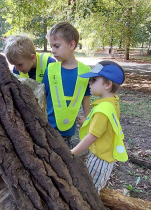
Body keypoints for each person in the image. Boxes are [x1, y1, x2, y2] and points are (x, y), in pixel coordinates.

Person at [71, 60, 128, 192]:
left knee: (90, 190)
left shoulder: (103, 109)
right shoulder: (112, 102)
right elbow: (104, 127)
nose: (89, 82)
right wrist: (86, 122)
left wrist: (73, 152)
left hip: (99, 159)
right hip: (105, 156)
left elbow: (92, 136)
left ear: (108, 84)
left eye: (94, 80)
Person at [42, 21, 91, 149]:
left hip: (69, 128)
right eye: (51, 46)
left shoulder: (85, 72)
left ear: (71, 45)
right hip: (49, 126)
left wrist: (87, 117)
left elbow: (86, 96)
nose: (52, 51)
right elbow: (43, 95)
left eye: (56, 46)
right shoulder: (50, 69)